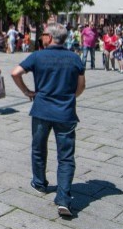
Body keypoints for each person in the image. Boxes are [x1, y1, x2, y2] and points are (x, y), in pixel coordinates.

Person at [11, 23, 85, 217]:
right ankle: (63, 198)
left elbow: (15, 72)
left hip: (42, 110)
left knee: (38, 148)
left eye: (43, 34)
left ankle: (40, 183)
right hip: (66, 113)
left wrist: (27, 91)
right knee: (66, 156)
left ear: (50, 38)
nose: (42, 37)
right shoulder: (75, 58)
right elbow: (81, 87)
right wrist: (68, 97)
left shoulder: (38, 56)